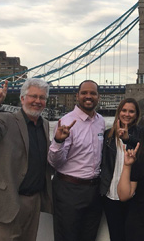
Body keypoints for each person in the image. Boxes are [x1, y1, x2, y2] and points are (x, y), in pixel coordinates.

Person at [0, 78, 52, 241]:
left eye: (42, 98)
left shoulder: (44, 124)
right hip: (5, 202)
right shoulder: (5, 119)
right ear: (22, 98)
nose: (37, 101)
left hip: (33, 202)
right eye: (33, 96)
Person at [48, 80, 106, 241]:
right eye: (84, 93)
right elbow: (55, 163)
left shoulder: (101, 122)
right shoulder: (66, 122)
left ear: (98, 97)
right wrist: (58, 141)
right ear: (77, 96)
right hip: (69, 189)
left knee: (89, 237)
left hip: (94, 190)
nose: (89, 96)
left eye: (93, 93)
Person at [100, 98, 142, 241]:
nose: (127, 114)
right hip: (110, 194)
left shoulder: (141, 134)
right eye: (124, 110)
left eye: (131, 111)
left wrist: (127, 138)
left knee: (132, 235)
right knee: (116, 236)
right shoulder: (108, 135)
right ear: (119, 112)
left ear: (136, 115)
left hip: (133, 194)